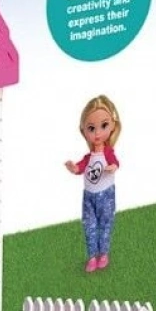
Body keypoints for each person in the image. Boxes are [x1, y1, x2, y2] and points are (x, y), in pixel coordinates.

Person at [65, 94, 120, 272]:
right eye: (91, 128)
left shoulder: (108, 152)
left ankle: (103, 254)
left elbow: (115, 162)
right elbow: (80, 167)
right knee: (89, 225)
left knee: (105, 224)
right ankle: (91, 256)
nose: (97, 133)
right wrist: (73, 168)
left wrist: (112, 167)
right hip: (88, 197)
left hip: (106, 195)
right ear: (84, 131)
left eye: (103, 126)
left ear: (112, 126)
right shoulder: (88, 157)